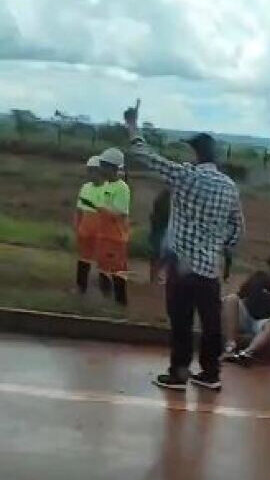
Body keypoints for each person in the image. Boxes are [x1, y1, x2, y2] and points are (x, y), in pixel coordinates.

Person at [124, 100, 244, 391]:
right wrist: (218, 247)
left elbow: (144, 154)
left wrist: (132, 126)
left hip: (181, 265)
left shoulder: (185, 177)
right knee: (211, 322)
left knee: (181, 320)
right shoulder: (229, 186)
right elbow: (237, 229)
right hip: (209, 269)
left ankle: (179, 372)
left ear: (195, 154)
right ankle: (211, 373)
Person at [221, 256, 270, 366]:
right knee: (231, 299)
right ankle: (230, 346)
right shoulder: (258, 277)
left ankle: (247, 353)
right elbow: (240, 296)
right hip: (247, 316)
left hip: (263, 324)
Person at [96, 148, 131, 306]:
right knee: (102, 269)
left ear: (112, 167)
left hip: (116, 237)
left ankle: (120, 302)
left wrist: (100, 209)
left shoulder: (122, 188)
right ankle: (106, 302)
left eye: (103, 165)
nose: (101, 169)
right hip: (104, 235)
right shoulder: (105, 186)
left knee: (117, 272)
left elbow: (120, 213)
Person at [75, 155, 105, 293]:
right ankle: (81, 287)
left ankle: (105, 290)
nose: (90, 174)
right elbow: (79, 209)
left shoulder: (108, 189)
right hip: (85, 228)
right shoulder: (85, 187)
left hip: (102, 230)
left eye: (93, 170)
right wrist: (77, 226)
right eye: (89, 170)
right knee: (83, 259)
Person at [148, 188, 171, 284]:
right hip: (162, 229)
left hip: (157, 229)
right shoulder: (168, 200)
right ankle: (156, 278)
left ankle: (154, 277)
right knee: (161, 255)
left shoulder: (161, 198)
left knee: (156, 255)